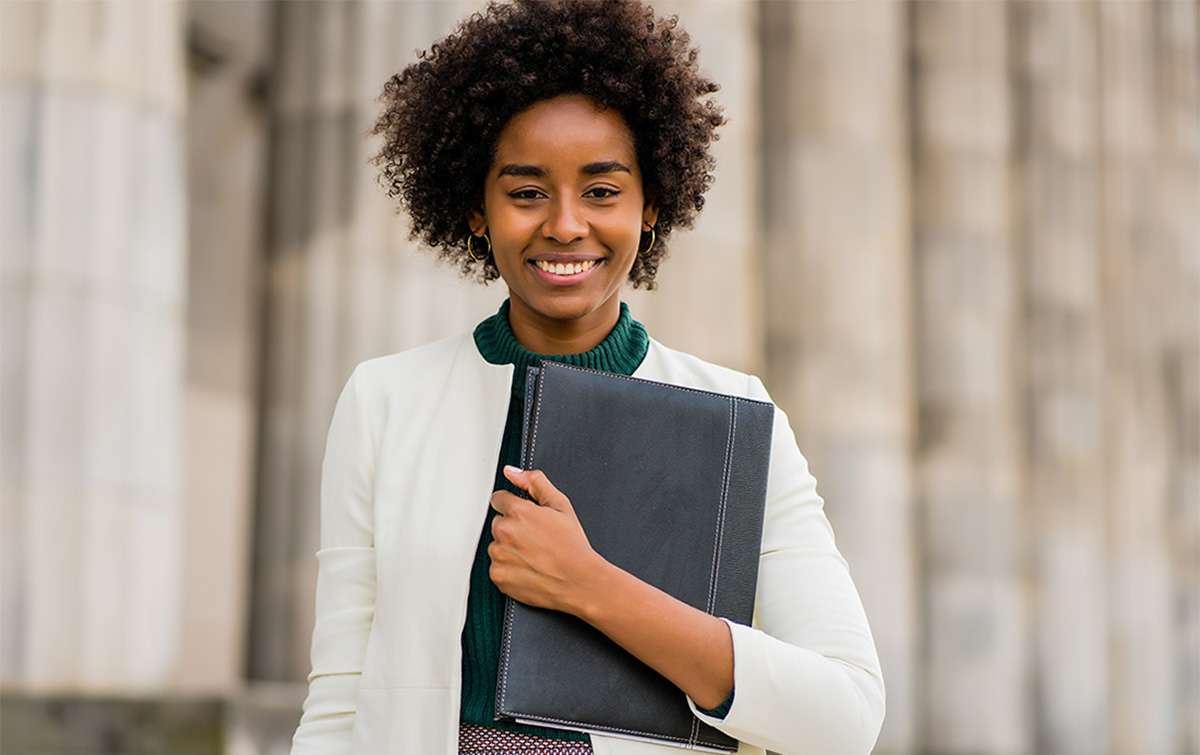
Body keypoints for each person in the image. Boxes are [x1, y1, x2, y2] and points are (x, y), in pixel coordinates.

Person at [289, 2, 884, 754]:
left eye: (602, 190)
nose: (565, 224)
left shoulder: (733, 417)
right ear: (476, 208)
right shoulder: (385, 402)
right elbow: (341, 700)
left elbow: (846, 715)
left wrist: (589, 585)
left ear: (652, 206)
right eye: (527, 190)